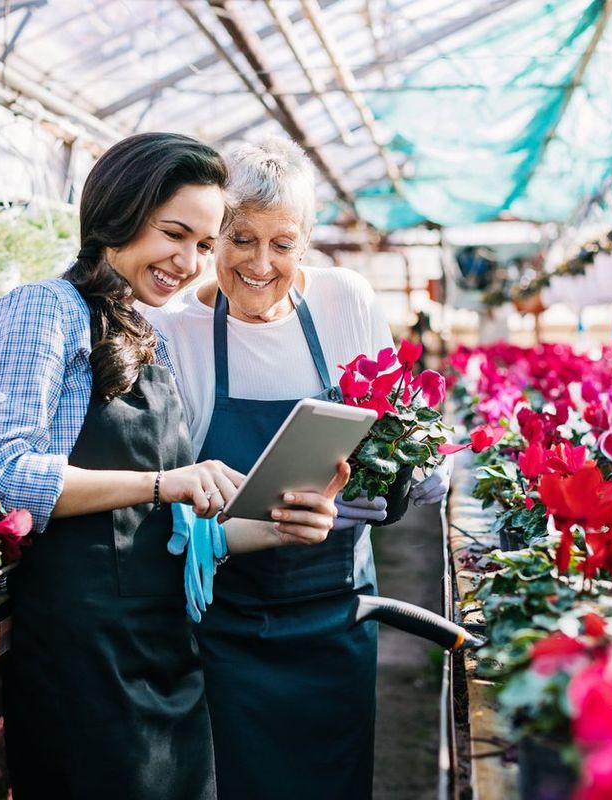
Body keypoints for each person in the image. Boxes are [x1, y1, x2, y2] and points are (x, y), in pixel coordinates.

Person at [0, 132, 346, 799]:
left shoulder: (146, 334)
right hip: (85, 656)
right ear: (119, 212)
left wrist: (279, 526)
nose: (189, 262)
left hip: (166, 648)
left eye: (203, 245)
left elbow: (167, 535)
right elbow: (0, 474)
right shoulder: (45, 310)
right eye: (176, 233)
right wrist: (162, 481)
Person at [147, 136, 451, 800]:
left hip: (336, 613)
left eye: (282, 244)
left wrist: (400, 484)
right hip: (225, 623)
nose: (260, 263)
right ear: (211, 241)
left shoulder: (347, 302)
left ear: (307, 243)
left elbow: (402, 434)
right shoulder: (173, 331)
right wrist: (218, 526)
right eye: (240, 239)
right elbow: (162, 488)